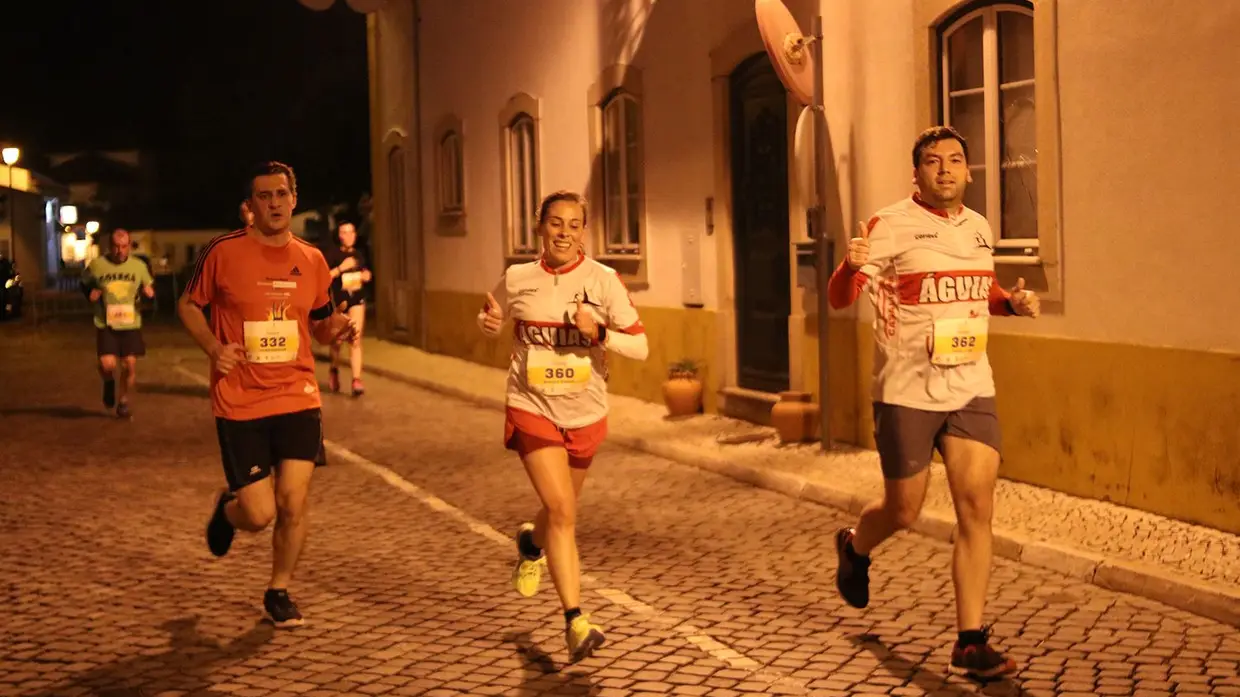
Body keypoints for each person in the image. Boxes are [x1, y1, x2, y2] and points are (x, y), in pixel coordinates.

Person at [826, 125, 1040, 678]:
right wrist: (850, 266)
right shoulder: (890, 224)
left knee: (977, 509)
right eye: (932, 161)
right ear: (916, 173)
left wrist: (1011, 304)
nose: (945, 169)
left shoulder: (979, 228)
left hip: (971, 385)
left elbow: (979, 292)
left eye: (954, 160)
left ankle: (970, 640)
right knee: (904, 510)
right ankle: (854, 546)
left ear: (969, 170)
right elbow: (840, 297)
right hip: (906, 389)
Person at [177, 161, 356, 628]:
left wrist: (334, 329)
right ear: (250, 206)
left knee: (293, 501)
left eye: (281, 194)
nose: (274, 203)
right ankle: (228, 510)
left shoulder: (313, 259)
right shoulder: (223, 252)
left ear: (294, 200)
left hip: (297, 395)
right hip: (240, 399)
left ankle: (279, 589)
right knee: (259, 514)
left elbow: (317, 326)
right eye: (264, 196)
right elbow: (187, 305)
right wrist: (215, 349)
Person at [477, 191, 648, 663]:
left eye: (574, 225)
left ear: (584, 231)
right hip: (531, 405)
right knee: (563, 509)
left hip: (586, 411)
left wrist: (599, 333)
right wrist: (489, 323)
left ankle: (531, 543)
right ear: (540, 227)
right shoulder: (519, 277)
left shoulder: (604, 281)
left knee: (557, 513)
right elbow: (491, 311)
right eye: (556, 223)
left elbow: (642, 347)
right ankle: (576, 620)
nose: (564, 233)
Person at [80, 228, 155, 418]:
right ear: (109, 246)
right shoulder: (97, 265)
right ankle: (108, 383)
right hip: (106, 323)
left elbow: (148, 289)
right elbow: (84, 281)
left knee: (129, 364)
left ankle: (123, 401)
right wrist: (89, 292)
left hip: (130, 323)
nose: (119, 251)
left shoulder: (138, 266)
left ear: (129, 246)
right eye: (115, 246)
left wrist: (149, 294)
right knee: (108, 365)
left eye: (123, 246)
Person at [322, 220, 371, 396]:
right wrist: (341, 268)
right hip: (339, 302)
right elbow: (324, 277)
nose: (349, 236)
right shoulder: (332, 254)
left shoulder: (360, 254)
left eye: (351, 232)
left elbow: (366, 271)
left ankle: (356, 379)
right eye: (345, 232)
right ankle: (334, 369)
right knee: (337, 341)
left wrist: (366, 275)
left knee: (355, 338)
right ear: (339, 235)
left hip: (357, 299)